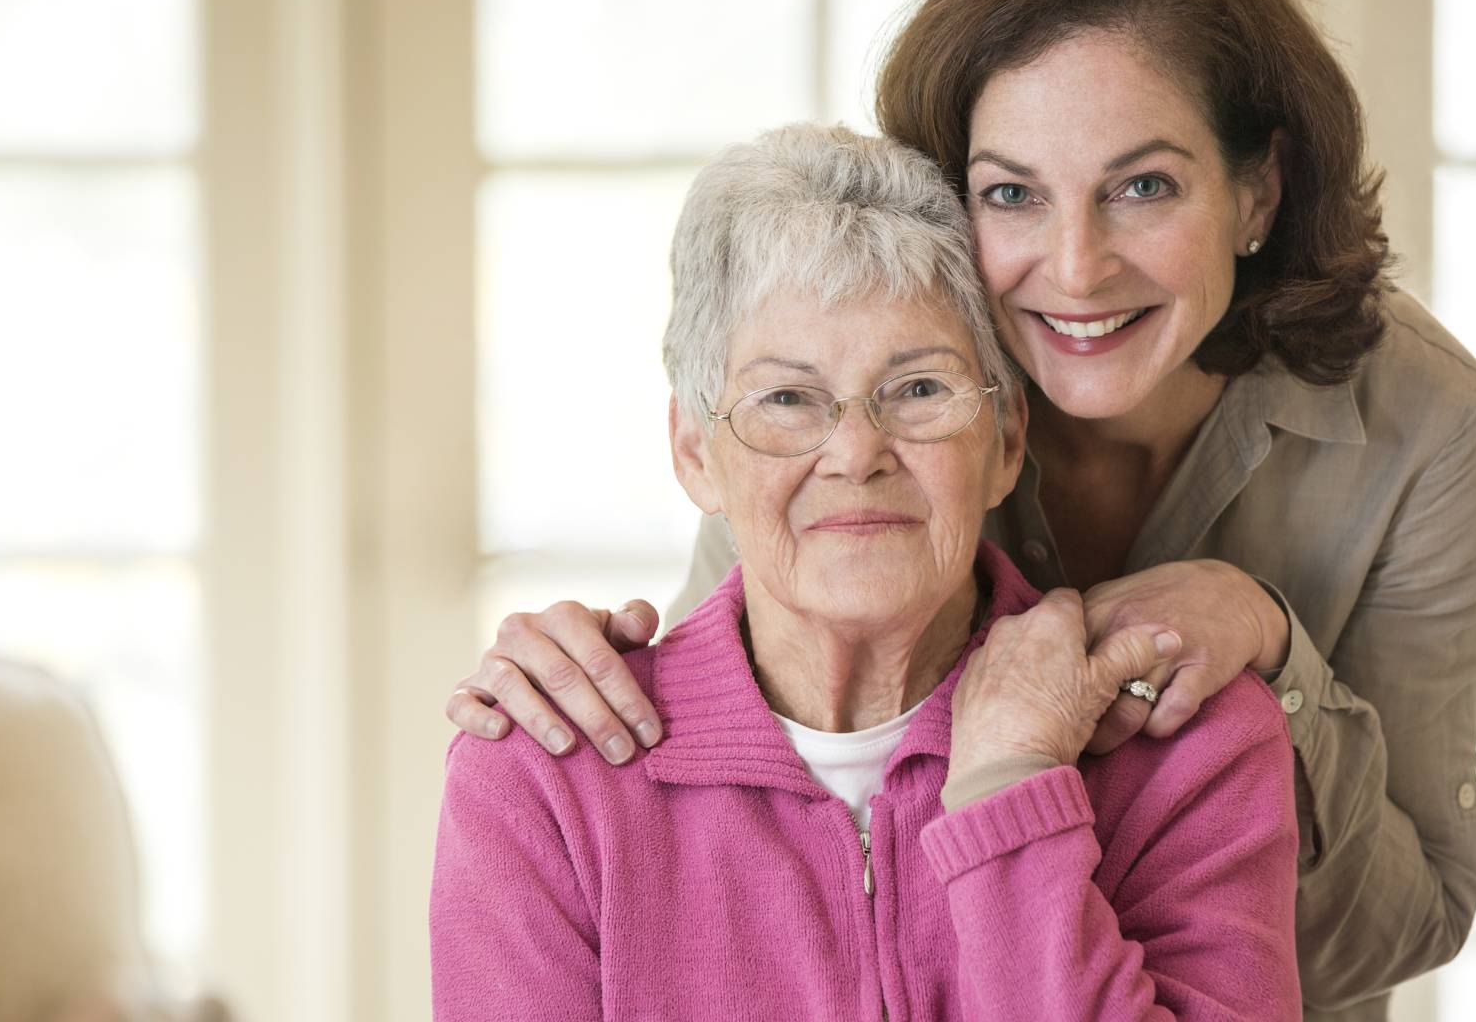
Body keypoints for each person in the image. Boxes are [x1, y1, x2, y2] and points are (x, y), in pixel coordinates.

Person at [447, 0, 1476, 1019]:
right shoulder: (858, 418)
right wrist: (565, 699)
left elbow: (1413, 916)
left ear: (1255, 188)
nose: (1078, 266)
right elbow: (730, 796)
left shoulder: (1416, 414)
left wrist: (1256, 647)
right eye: (1012, 193)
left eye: (1144, 186)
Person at [431, 123, 1300, 1020]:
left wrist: (1012, 787)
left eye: (920, 389)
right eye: (787, 399)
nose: (856, 452)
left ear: (1005, 441)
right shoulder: (545, 776)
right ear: (695, 453)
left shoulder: (1190, 742)